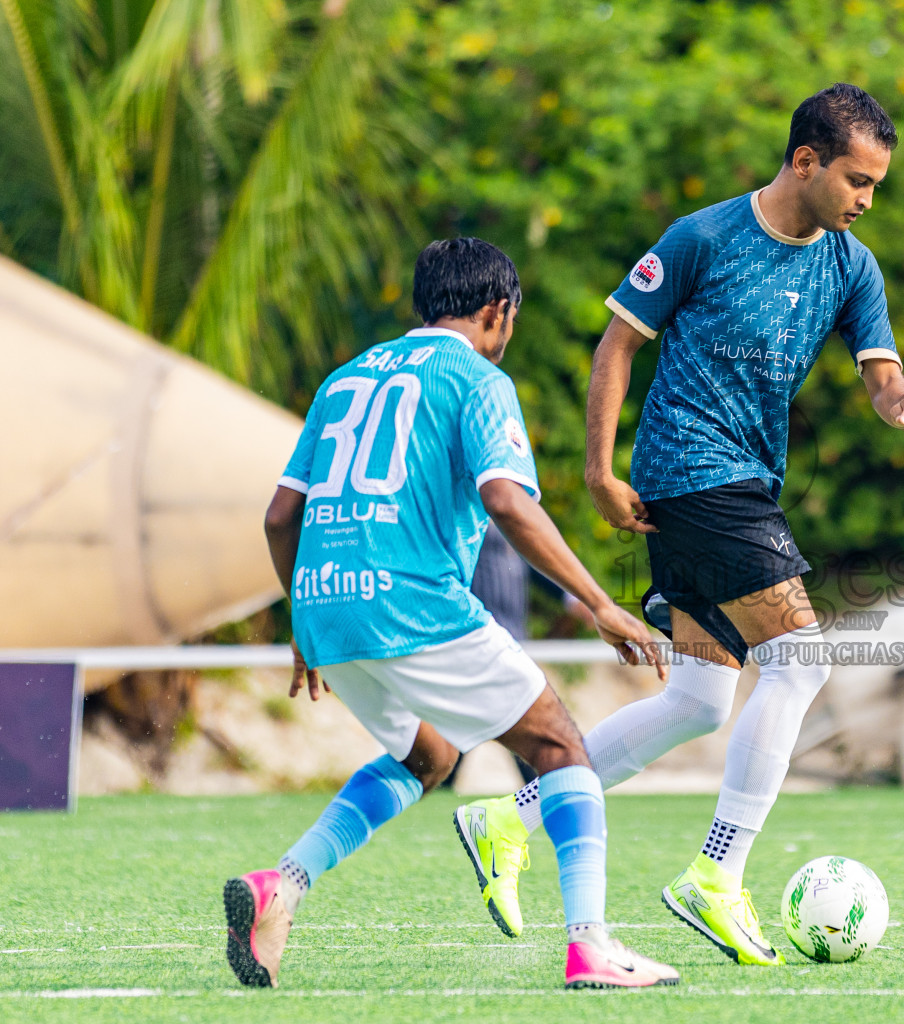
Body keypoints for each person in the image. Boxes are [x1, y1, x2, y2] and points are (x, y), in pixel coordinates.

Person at [447, 83, 904, 966]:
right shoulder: (702, 237)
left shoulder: (851, 265)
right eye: (858, 180)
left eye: (878, 186)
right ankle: (716, 874)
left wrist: (902, 402)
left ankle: (509, 820)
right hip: (695, 473)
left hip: (746, 485)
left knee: (699, 700)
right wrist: (597, 469)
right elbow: (618, 343)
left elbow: (881, 370)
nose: (867, 200)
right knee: (803, 658)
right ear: (805, 161)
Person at [223, 238, 678, 991]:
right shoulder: (477, 377)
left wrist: (305, 619)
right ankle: (591, 945)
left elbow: (280, 517)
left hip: (326, 606)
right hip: (413, 601)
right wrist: (601, 604)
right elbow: (507, 500)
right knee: (562, 746)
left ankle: (283, 887)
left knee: (428, 757)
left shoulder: (344, 379)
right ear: (498, 311)